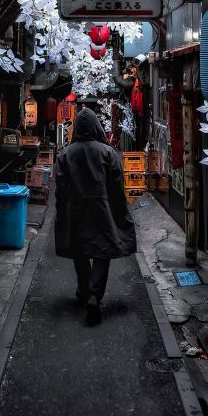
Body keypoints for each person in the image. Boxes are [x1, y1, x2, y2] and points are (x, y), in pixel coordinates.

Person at [54, 107, 136, 325]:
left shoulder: (65, 154)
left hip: (75, 209)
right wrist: (120, 212)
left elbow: (60, 188)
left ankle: (83, 289)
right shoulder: (107, 153)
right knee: (103, 250)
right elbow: (118, 187)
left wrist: (60, 211)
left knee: (79, 249)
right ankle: (94, 295)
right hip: (102, 209)